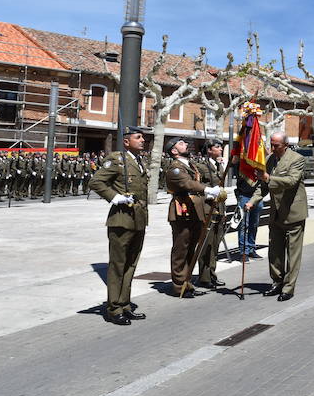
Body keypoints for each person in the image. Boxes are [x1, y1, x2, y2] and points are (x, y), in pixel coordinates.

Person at [88, 127, 149, 325]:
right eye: (138, 137)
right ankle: (113, 308)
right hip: (121, 219)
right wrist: (115, 197)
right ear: (126, 141)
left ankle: (125, 304)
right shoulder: (117, 159)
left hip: (138, 218)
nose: (142, 140)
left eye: (142, 137)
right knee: (117, 265)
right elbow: (96, 182)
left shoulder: (139, 160)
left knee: (131, 264)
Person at [249, 132, 307, 301]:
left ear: (285, 145)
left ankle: (288, 287)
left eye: (276, 146)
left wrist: (268, 177)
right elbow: (263, 186)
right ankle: (276, 282)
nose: (273, 148)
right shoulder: (269, 160)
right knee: (274, 251)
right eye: (271, 145)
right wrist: (252, 201)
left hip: (293, 212)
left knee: (293, 253)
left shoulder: (297, 159)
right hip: (276, 213)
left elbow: (291, 181)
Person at [164, 137, 222, 298]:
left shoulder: (190, 164)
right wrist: (207, 189)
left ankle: (187, 282)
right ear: (174, 151)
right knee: (181, 249)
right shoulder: (175, 168)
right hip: (182, 209)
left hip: (195, 209)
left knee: (191, 249)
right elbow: (187, 184)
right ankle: (179, 286)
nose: (186, 145)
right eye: (181, 144)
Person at [195, 139, 227, 289]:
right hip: (207, 208)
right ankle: (204, 277)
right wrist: (208, 195)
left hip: (219, 208)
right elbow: (197, 186)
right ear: (208, 150)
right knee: (206, 245)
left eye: (220, 146)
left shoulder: (219, 165)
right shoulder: (201, 166)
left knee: (215, 245)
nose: (220, 149)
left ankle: (212, 274)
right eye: (217, 147)